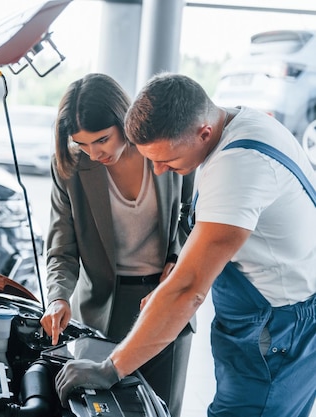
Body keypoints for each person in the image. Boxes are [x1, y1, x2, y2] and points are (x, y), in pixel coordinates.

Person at [55, 72, 316, 417]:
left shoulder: (237, 168)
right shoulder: (239, 121)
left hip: (277, 330)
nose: (159, 171)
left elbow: (188, 290)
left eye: (167, 160)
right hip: (266, 317)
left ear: (202, 133)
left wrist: (110, 368)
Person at [40, 73, 193, 417]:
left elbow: (192, 214)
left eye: (102, 140)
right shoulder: (69, 168)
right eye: (82, 144)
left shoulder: (166, 147)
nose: (94, 153)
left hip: (164, 300)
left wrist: (178, 258)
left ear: (124, 119)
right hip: (101, 311)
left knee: (162, 409)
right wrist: (57, 297)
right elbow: (61, 248)